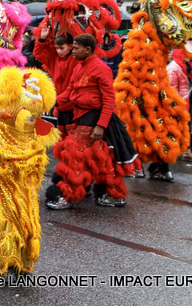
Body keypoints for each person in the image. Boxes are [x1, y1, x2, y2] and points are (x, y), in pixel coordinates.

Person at [45, 34, 136, 208]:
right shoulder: (79, 67)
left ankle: (66, 195)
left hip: (96, 118)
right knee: (99, 160)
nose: (73, 51)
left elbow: (109, 100)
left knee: (75, 157)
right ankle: (106, 194)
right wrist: (50, 101)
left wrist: (100, 126)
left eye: (77, 48)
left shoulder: (101, 69)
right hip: (82, 117)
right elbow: (70, 93)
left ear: (88, 49)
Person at [33, 24, 77, 129]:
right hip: (59, 104)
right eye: (57, 48)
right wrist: (42, 39)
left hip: (74, 104)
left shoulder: (76, 58)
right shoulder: (54, 58)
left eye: (62, 48)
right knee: (60, 134)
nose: (59, 51)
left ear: (71, 46)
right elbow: (38, 53)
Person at [168, 49, 192, 163]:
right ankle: (182, 151)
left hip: (186, 100)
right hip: (179, 103)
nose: (190, 56)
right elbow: (171, 88)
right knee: (180, 127)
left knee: (186, 127)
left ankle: (186, 151)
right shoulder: (174, 67)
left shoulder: (185, 65)